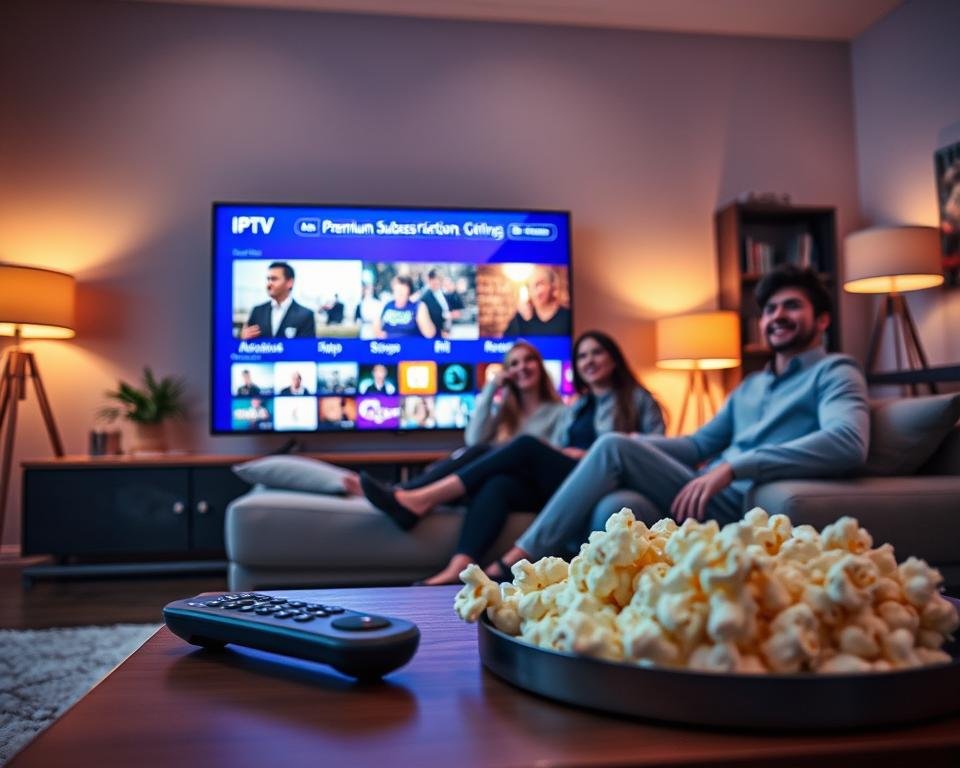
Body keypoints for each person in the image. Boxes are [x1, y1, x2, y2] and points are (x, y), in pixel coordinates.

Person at [494, 265, 870, 571]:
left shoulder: (835, 372)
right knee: (616, 507)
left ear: (822, 320)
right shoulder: (752, 384)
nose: (777, 317)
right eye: (770, 310)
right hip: (707, 491)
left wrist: (737, 467)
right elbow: (698, 445)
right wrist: (643, 444)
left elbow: (847, 443)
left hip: (741, 502)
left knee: (610, 446)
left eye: (791, 306)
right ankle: (594, 602)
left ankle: (519, 561)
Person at [360, 331, 665, 585]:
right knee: (500, 483)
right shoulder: (579, 406)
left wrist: (585, 453)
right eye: (582, 356)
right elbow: (545, 446)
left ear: (613, 357)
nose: (589, 361)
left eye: (596, 353)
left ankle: (418, 498)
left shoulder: (638, 398)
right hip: (567, 481)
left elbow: (654, 450)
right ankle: (458, 568)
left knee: (525, 445)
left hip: (600, 476)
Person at [340, 341, 565, 496]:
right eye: (514, 364)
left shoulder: (559, 412)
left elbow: (556, 455)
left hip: (528, 482)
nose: (522, 368)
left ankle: (400, 491)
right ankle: (402, 492)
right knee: (474, 453)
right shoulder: (504, 412)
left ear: (540, 366)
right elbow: (474, 437)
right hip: (494, 477)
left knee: (478, 455)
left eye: (528, 360)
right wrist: (491, 388)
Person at [241, 262, 316, 340]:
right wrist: (243, 339)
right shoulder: (257, 311)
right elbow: (246, 347)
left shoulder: (306, 315)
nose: (269, 284)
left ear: (290, 282)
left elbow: (306, 349)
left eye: (274, 279)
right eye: (268, 279)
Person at [503, 266, 571, 337]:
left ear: (552, 286)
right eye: (530, 286)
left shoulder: (566, 317)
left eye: (540, 284)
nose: (535, 292)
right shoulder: (520, 319)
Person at [420, 269, 452, 338]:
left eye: (439, 280)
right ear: (429, 280)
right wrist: (441, 331)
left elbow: (447, 309)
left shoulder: (443, 293)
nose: (437, 282)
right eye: (434, 280)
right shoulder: (425, 298)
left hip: (446, 331)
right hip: (435, 334)